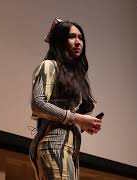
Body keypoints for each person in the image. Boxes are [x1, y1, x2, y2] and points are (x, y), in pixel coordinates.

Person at [29, 18, 102, 180]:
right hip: (53, 146)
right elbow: (38, 104)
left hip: (71, 151)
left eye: (80, 38)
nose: (78, 42)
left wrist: (86, 124)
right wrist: (77, 118)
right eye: (72, 37)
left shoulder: (76, 77)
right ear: (61, 41)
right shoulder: (49, 65)